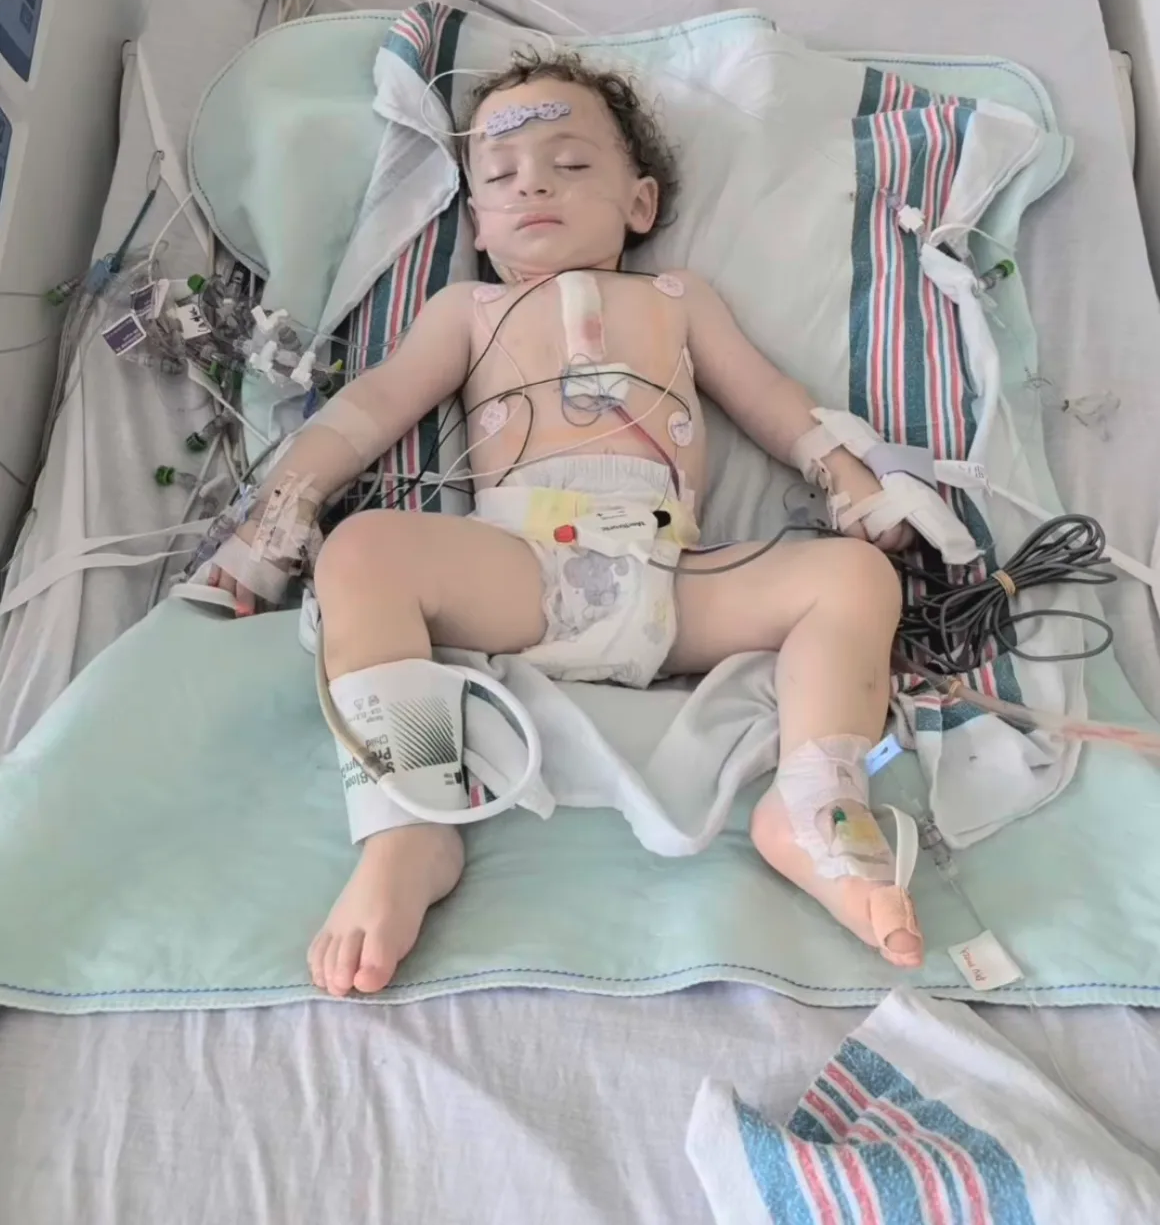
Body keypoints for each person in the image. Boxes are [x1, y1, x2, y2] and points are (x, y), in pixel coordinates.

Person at [209, 51, 924, 998]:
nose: (532, 182)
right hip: (521, 575)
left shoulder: (678, 302)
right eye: (501, 176)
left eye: (571, 164)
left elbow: (768, 399)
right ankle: (413, 816)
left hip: (672, 577)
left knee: (852, 580)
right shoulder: (468, 310)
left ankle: (817, 806)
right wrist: (276, 520)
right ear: (475, 220)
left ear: (639, 201)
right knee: (364, 550)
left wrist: (847, 480)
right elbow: (369, 410)